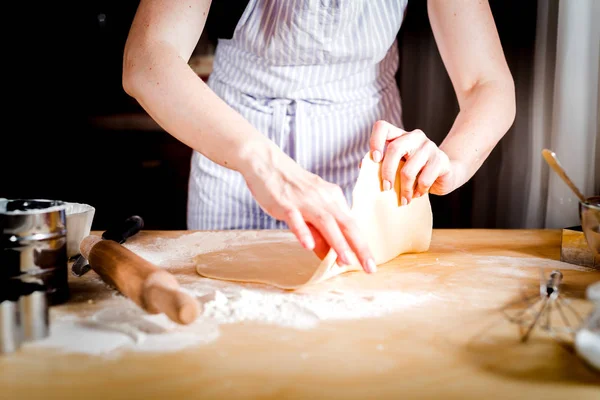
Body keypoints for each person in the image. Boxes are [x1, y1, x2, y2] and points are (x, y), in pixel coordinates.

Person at [122, 0, 515, 275]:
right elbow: (146, 59)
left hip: (367, 166)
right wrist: (261, 164)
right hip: (234, 152)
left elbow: (487, 81)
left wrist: (453, 161)